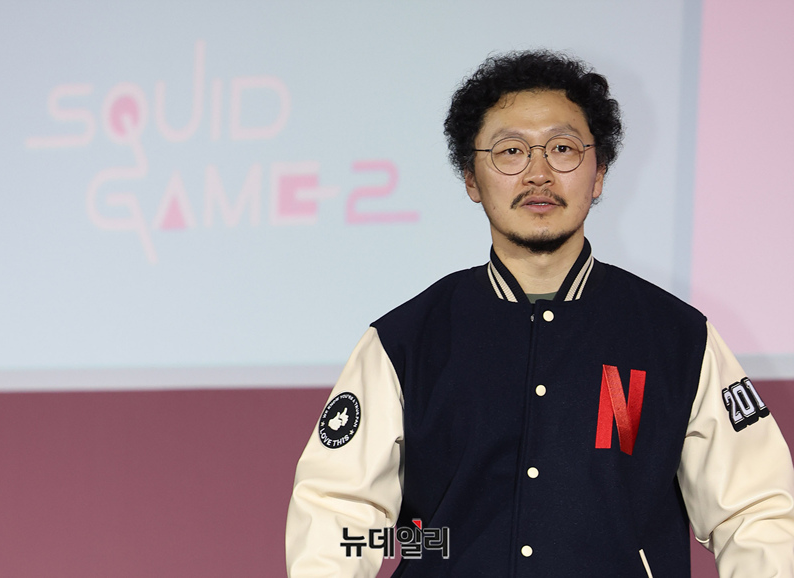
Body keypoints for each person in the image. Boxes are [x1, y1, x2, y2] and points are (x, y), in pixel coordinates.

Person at [285, 50, 794, 577]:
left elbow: (755, 512)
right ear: (471, 178)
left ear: (599, 174)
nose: (539, 174)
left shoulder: (676, 337)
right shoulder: (407, 340)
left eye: (563, 149)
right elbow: (336, 511)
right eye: (510, 151)